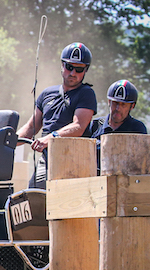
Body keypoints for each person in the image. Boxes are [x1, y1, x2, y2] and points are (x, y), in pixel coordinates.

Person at [17, 42, 97, 188]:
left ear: (85, 70)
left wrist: (50, 138)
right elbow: (30, 128)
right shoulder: (47, 94)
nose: (73, 73)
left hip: (74, 159)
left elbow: (78, 126)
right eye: (69, 67)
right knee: (33, 196)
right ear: (62, 65)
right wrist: (7, 141)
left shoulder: (86, 94)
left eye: (79, 69)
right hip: (48, 158)